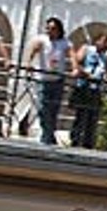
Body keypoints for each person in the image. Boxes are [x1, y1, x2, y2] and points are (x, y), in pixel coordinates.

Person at [27, 16, 71, 145]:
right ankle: (48, 135)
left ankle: (47, 136)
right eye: (48, 28)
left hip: (57, 79)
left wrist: (74, 67)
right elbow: (34, 49)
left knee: (53, 109)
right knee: (42, 107)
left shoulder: (64, 42)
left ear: (58, 30)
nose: (49, 31)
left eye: (52, 29)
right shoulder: (42, 39)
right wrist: (29, 62)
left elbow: (71, 54)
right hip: (42, 79)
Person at [69, 32, 107, 148]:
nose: (105, 44)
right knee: (81, 114)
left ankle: (88, 142)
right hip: (84, 85)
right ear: (96, 41)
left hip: (96, 88)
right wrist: (85, 73)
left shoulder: (104, 57)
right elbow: (77, 62)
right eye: (103, 41)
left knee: (93, 116)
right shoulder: (87, 49)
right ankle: (75, 139)